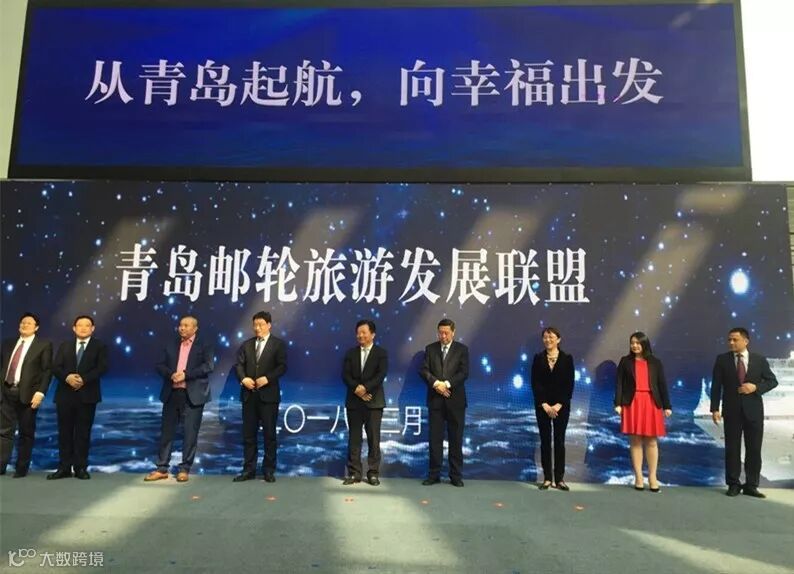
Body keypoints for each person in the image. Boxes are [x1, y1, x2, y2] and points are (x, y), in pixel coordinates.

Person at [145, 316, 214, 483]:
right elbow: (159, 365)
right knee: (166, 432)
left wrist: (185, 375)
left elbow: (208, 366)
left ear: (195, 328)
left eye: (186, 325)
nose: (182, 328)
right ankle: (162, 468)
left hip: (193, 395)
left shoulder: (204, 344)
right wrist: (171, 375)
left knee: (190, 433)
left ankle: (184, 469)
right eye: (180, 325)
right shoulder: (171, 343)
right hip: (172, 393)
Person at [711, 327, 778, 498]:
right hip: (731, 411)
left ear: (746, 341)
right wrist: (714, 409)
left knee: (754, 449)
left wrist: (756, 387)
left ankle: (751, 485)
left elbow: (772, 381)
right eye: (729, 340)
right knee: (732, 449)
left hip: (754, 411)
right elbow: (716, 385)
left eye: (735, 339)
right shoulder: (722, 360)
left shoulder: (759, 360)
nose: (731, 343)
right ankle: (733, 484)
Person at [48, 315, 108, 480]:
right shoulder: (65, 345)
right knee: (64, 433)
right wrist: (67, 377)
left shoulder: (100, 346)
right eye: (80, 325)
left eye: (87, 325)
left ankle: (80, 467)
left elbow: (102, 367)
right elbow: (56, 367)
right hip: (65, 395)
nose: (83, 328)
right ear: (74, 328)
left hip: (87, 395)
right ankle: (64, 468)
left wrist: (83, 379)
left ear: (92, 329)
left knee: (83, 433)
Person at [614, 332, 672, 493]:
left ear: (644, 344)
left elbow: (662, 384)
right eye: (632, 342)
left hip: (652, 402)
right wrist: (618, 403)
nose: (634, 346)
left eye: (638, 343)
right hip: (632, 403)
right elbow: (619, 383)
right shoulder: (625, 361)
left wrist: (667, 406)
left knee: (651, 441)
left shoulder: (655, 362)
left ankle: (652, 477)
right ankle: (638, 477)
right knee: (635, 441)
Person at [233, 311, 287, 483]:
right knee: (249, 436)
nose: (257, 328)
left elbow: (282, 367)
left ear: (269, 325)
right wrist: (243, 379)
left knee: (269, 435)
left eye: (261, 325)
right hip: (249, 396)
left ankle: (268, 470)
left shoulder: (278, 344)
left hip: (268, 397)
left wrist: (268, 378)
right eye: (255, 325)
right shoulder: (246, 345)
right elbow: (239, 365)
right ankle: (248, 469)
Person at [0, 313, 53, 477]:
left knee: (26, 433)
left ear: (36, 327)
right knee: (3, 432)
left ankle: (21, 468)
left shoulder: (43, 345)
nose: (25, 325)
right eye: (23, 322)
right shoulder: (8, 343)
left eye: (29, 323)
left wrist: (40, 392)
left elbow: (47, 371)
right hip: (5, 393)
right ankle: (1, 466)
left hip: (28, 395)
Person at [419, 318, 470, 487]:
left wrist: (446, 384)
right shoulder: (430, 349)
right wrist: (436, 384)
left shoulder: (462, 350)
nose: (443, 336)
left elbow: (463, 373)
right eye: (440, 333)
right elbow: (424, 370)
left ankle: (456, 476)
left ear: (453, 332)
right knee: (435, 440)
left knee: (456, 440)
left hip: (456, 402)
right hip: (435, 402)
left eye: (446, 333)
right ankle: (434, 475)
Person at [341, 319, 388, 486]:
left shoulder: (381, 353)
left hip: (374, 402)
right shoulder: (350, 353)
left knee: (373, 439)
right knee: (354, 439)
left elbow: (381, 375)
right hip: (354, 402)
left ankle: (373, 473)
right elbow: (345, 375)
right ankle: (354, 473)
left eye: (364, 332)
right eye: (358, 333)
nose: (360, 336)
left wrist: (366, 388)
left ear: (372, 334)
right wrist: (357, 389)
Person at [530, 327, 575, 491]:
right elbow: (535, 383)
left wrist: (559, 404)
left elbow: (569, 384)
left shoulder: (567, 359)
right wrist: (544, 404)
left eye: (551, 337)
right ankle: (547, 478)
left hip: (561, 406)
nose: (548, 340)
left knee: (559, 441)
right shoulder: (538, 358)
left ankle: (560, 479)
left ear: (558, 339)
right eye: (545, 337)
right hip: (542, 406)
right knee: (545, 441)